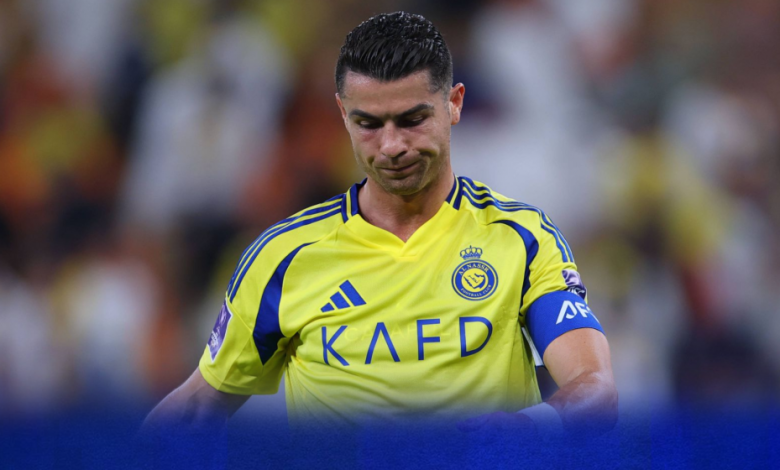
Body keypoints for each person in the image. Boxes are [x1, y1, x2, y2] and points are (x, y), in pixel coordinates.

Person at [142, 11, 617, 439]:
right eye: (369, 124)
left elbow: (594, 388)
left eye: (412, 120)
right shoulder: (282, 259)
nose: (391, 146)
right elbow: (196, 407)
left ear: (454, 103)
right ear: (342, 115)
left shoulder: (522, 239)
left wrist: (523, 429)